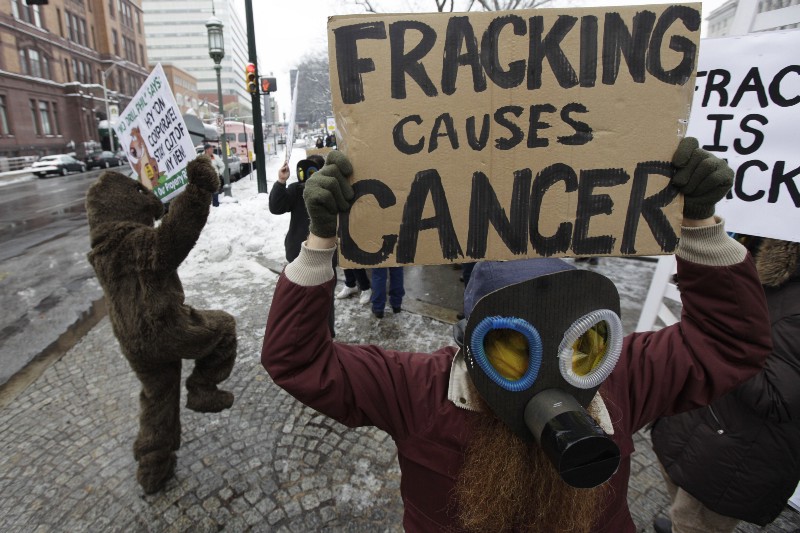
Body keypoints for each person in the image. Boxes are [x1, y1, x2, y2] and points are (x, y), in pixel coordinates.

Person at [261, 140, 772, 532]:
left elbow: (729, 343)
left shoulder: (616, 378)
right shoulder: (419, 391)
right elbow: (298, 360)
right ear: (468, 346)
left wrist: (701, 226)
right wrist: (318, 242)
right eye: (511, 348)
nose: (545, 376)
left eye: (579, 346)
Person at [86, 157, 237, 494]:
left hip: (132, 342)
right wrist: (197, 192)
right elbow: (171, 240)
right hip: (163, 328)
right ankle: (203, 388)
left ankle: (153, 468)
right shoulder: (132, 242)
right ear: (121, 205)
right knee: (224, 328)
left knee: (157, 397)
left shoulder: (101, 250)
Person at [650, 235, 800, 533]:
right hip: (700, 419)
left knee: (694, 520)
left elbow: (778, 397)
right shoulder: (747, 251)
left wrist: (716, 333)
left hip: (734, 453)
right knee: (678, 492)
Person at [268, 154, 336, 336]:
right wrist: (281, 182)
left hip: (325, 255)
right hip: (298, 253)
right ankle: (302, 335)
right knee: (299, 298)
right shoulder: (297, 190)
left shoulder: (331, 191)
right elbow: (276, 207)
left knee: (324, 299)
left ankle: (326, 335)